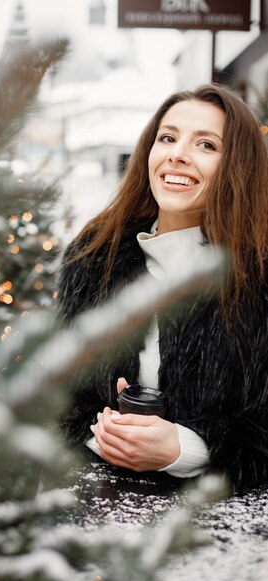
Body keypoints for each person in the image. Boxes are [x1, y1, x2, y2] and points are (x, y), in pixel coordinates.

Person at [56, 83, 268, 492]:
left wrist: (184, 448)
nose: (177, 154)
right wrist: (109, 435)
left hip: (222, 533)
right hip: (98, 514)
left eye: (206, 145)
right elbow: (58, 397)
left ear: (237, 167)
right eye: (167, 137)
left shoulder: (259, 277)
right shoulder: (92, 260)